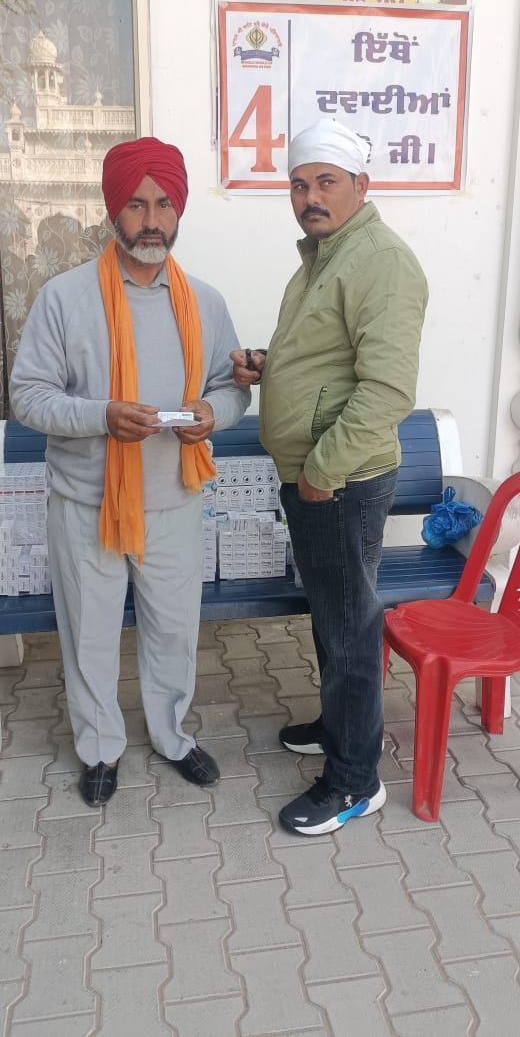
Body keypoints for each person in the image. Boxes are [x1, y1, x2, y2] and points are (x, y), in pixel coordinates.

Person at [10, 136, 250, 807]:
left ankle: (172, 737)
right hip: (87, 503)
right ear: (114, 210)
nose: (151, 220)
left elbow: (231, 389)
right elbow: (28, 396)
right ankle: (99, 748)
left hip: (174, 499)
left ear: (180, 211)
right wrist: (101, 417)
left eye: (164, 204)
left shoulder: (204, 301)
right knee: (89, 633)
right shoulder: (64, 297)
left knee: (174, 631)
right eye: (137, 204)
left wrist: (214, 412)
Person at [232, 116, 428, 836]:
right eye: (298, 184)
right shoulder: (325, 256)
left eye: (326, 182)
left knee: (349, 627)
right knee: (334, 614)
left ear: (361, 186)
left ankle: (354, 781)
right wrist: (270, 363)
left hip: (339, 479)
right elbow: (328, 357)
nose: (309, 197)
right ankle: (339, 725)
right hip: (320, 477)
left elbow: (387, 391)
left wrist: (320, 471)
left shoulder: (381, 262)